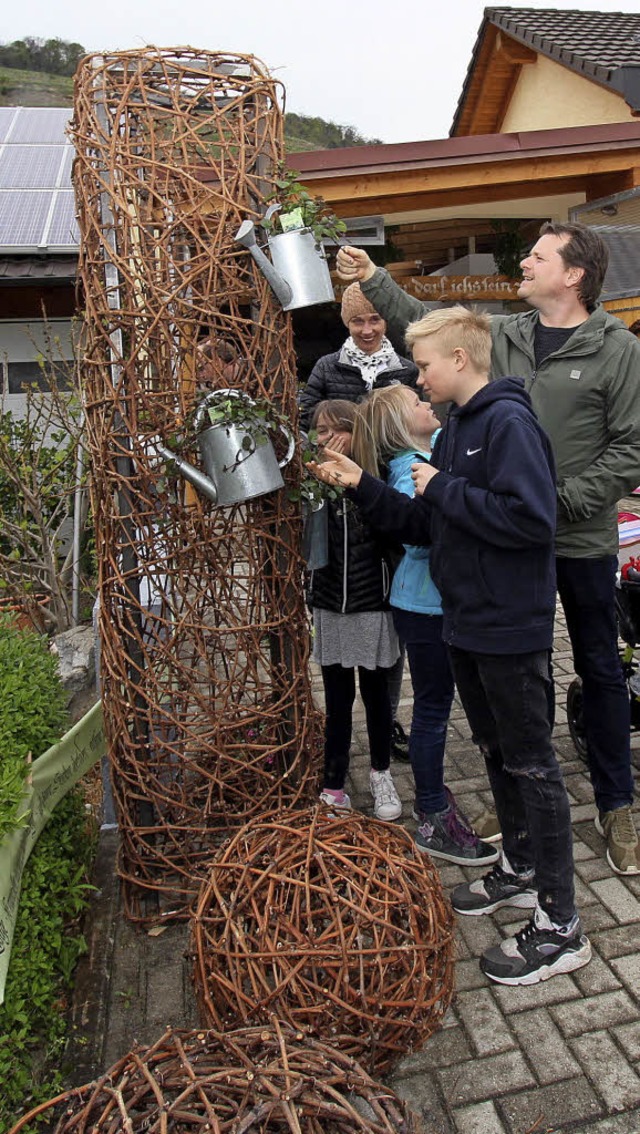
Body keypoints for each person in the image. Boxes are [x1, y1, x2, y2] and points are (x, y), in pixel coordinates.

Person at [336, 224, 640, 877]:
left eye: (537, 256)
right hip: (502, 538)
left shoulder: (617, 350)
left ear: (574, 274)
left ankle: (619, 804)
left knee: (599, 666)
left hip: (578, 537)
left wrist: (558, 501)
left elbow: (631, 448)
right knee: (513, 669)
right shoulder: (505, 335)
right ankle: (517, 795)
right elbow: (427, 325)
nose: (522, 263)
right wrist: (373, 276)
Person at [309, 306, 591, 987]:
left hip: (508, 624)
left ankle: (561, 924)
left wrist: (447, 488)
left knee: (533, 767)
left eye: (426, 364)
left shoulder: (506, 423)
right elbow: (423, 524)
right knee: (497, 753)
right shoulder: (457, 427)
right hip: (464, 621)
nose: (418, 375)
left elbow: (531, 520)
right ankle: (519, 868)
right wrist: (363, 485)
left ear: (459, 360)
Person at [352, 383, 498, 866]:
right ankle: (432, 812)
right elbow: (414, 538)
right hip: (424, 606)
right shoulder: (405, 470)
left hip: (441, 603)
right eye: (416, 404)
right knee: (433, 707)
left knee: (448, 703)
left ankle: (438, 801)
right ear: (399, 426)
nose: (426, 403)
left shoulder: (438, 451)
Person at [301, 281, 419, 761]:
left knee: (387, 615)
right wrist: (326, 447)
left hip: (390, 488)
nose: (367, 330)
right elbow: (307, 416)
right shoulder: (329, 367)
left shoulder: (405, 369)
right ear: (345, 324)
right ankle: (363, 727)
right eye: (357, 322)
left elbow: (414, 423)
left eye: (374, 320)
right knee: (359, 607)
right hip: (339, 495)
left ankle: (386, 716)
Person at [309, 399, 402, 823]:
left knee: (378, 696)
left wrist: (358, 487)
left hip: (371, 603)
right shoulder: (310, 485)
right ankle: (334, 782)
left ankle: (382, 773)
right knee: (337, 698)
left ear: (356, 431)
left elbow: (396, 534)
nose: (326, 439)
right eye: (319, 431)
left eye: (335, 430)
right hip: (330, 603)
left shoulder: (375, 478)